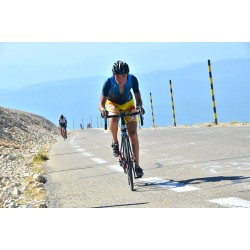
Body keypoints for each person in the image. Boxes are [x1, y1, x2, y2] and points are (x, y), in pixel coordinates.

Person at [99, 60, 145, 178]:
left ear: (128, 75)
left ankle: (137, 166)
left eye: (123, 76)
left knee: (133, 134)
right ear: (113, 75)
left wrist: (139, 107)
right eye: (117, 76)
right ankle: (115, 142)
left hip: (128, 103)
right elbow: (101, 104)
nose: (120, 79)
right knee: (114, 119)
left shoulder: (133, 80)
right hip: (112, 103)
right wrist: (103, 110)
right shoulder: (108, 83)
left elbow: (138, 99)